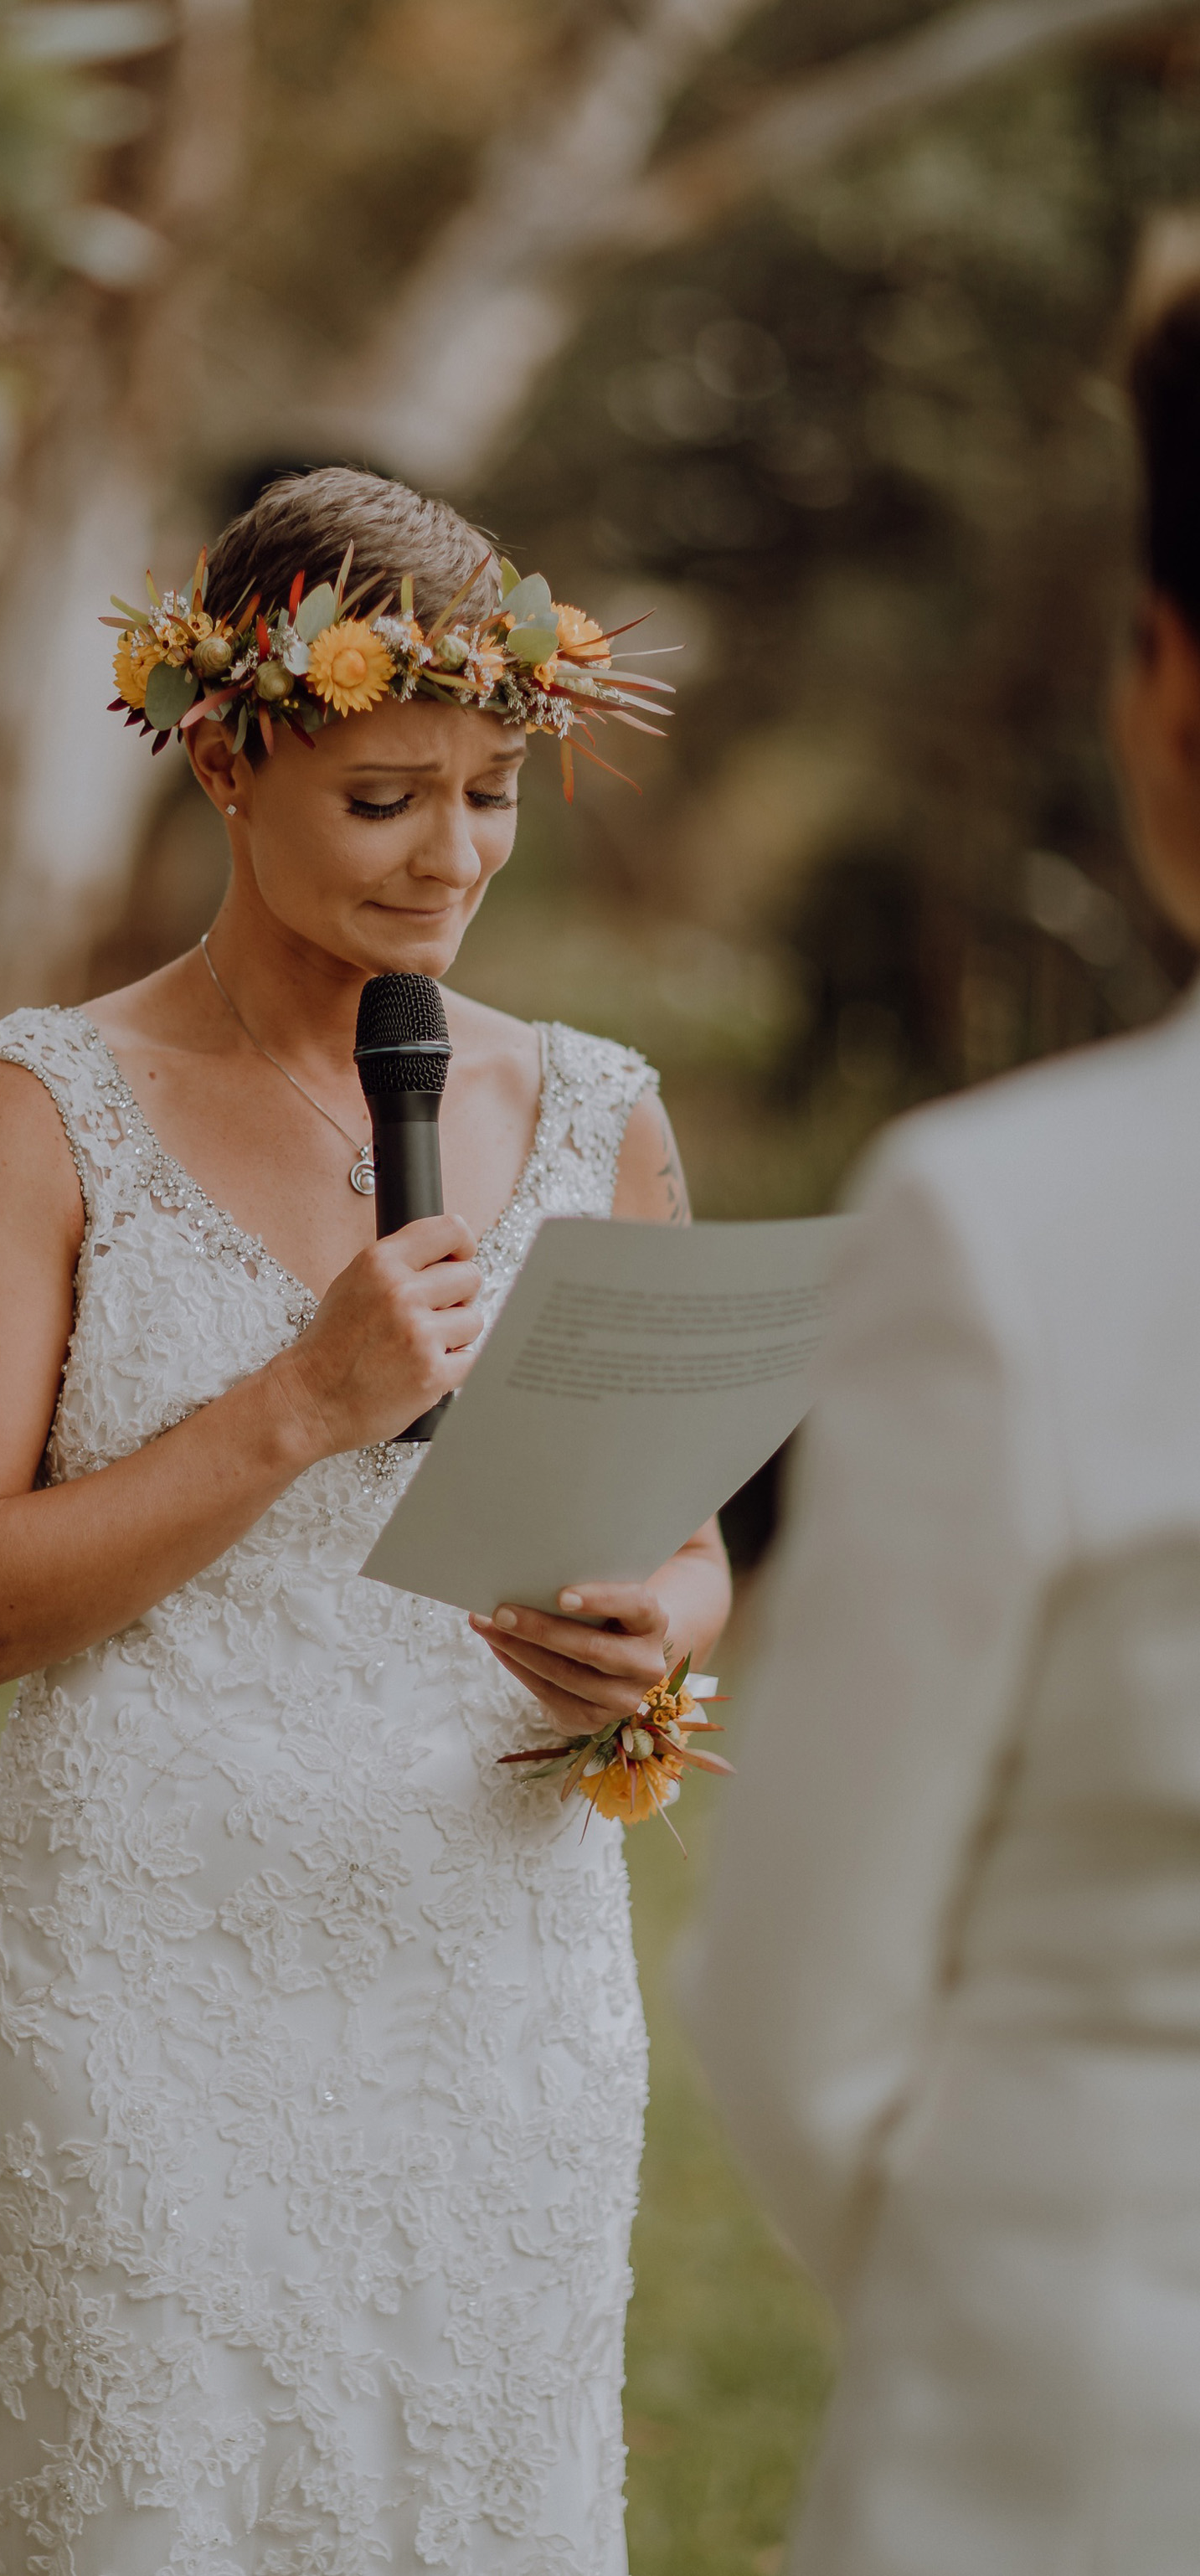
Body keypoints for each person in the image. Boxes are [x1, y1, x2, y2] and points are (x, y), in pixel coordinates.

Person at [0, 466, 731, 2576]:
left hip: (495, 1996)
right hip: (149, 1992)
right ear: (233, 756)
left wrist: (663, 1625)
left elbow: (687, 1537)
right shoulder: (38, 1105)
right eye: (387, 797)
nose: (455, 857)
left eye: (495, 790)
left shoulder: (602, 1111)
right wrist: (300, 1405)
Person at [667, 245, 1200, 2574]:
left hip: (1071, 2421)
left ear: (1167, 693)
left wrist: (1011, 2274)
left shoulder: (1016, 1226)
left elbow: (803, 2015)